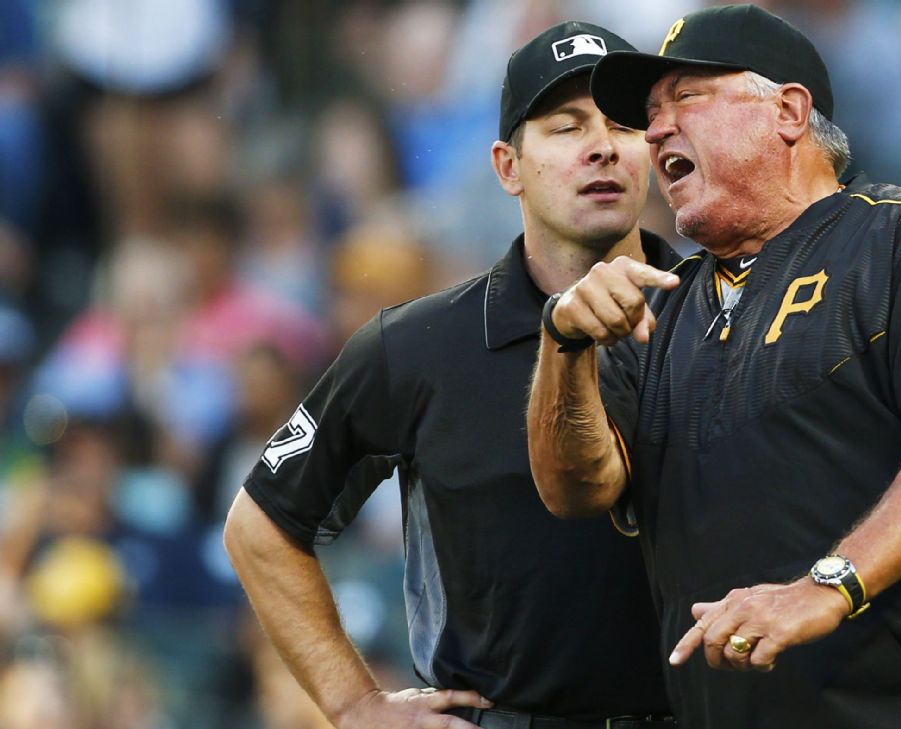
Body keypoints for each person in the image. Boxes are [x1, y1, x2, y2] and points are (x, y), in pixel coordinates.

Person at [526, 5, 901, 728]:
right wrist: (562, 346)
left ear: (788, 111)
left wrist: (828, 587)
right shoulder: (655, 312)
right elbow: (577, 489)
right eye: (650, 116)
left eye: (686, 98)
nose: (656, 130)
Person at [224, 22, 677, 729]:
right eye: (565, 126)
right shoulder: (415, 346)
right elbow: (261, 525)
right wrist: (354, 702)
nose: (601, 145)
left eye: (623, 123)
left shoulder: (725, 312)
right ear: (507, 166)